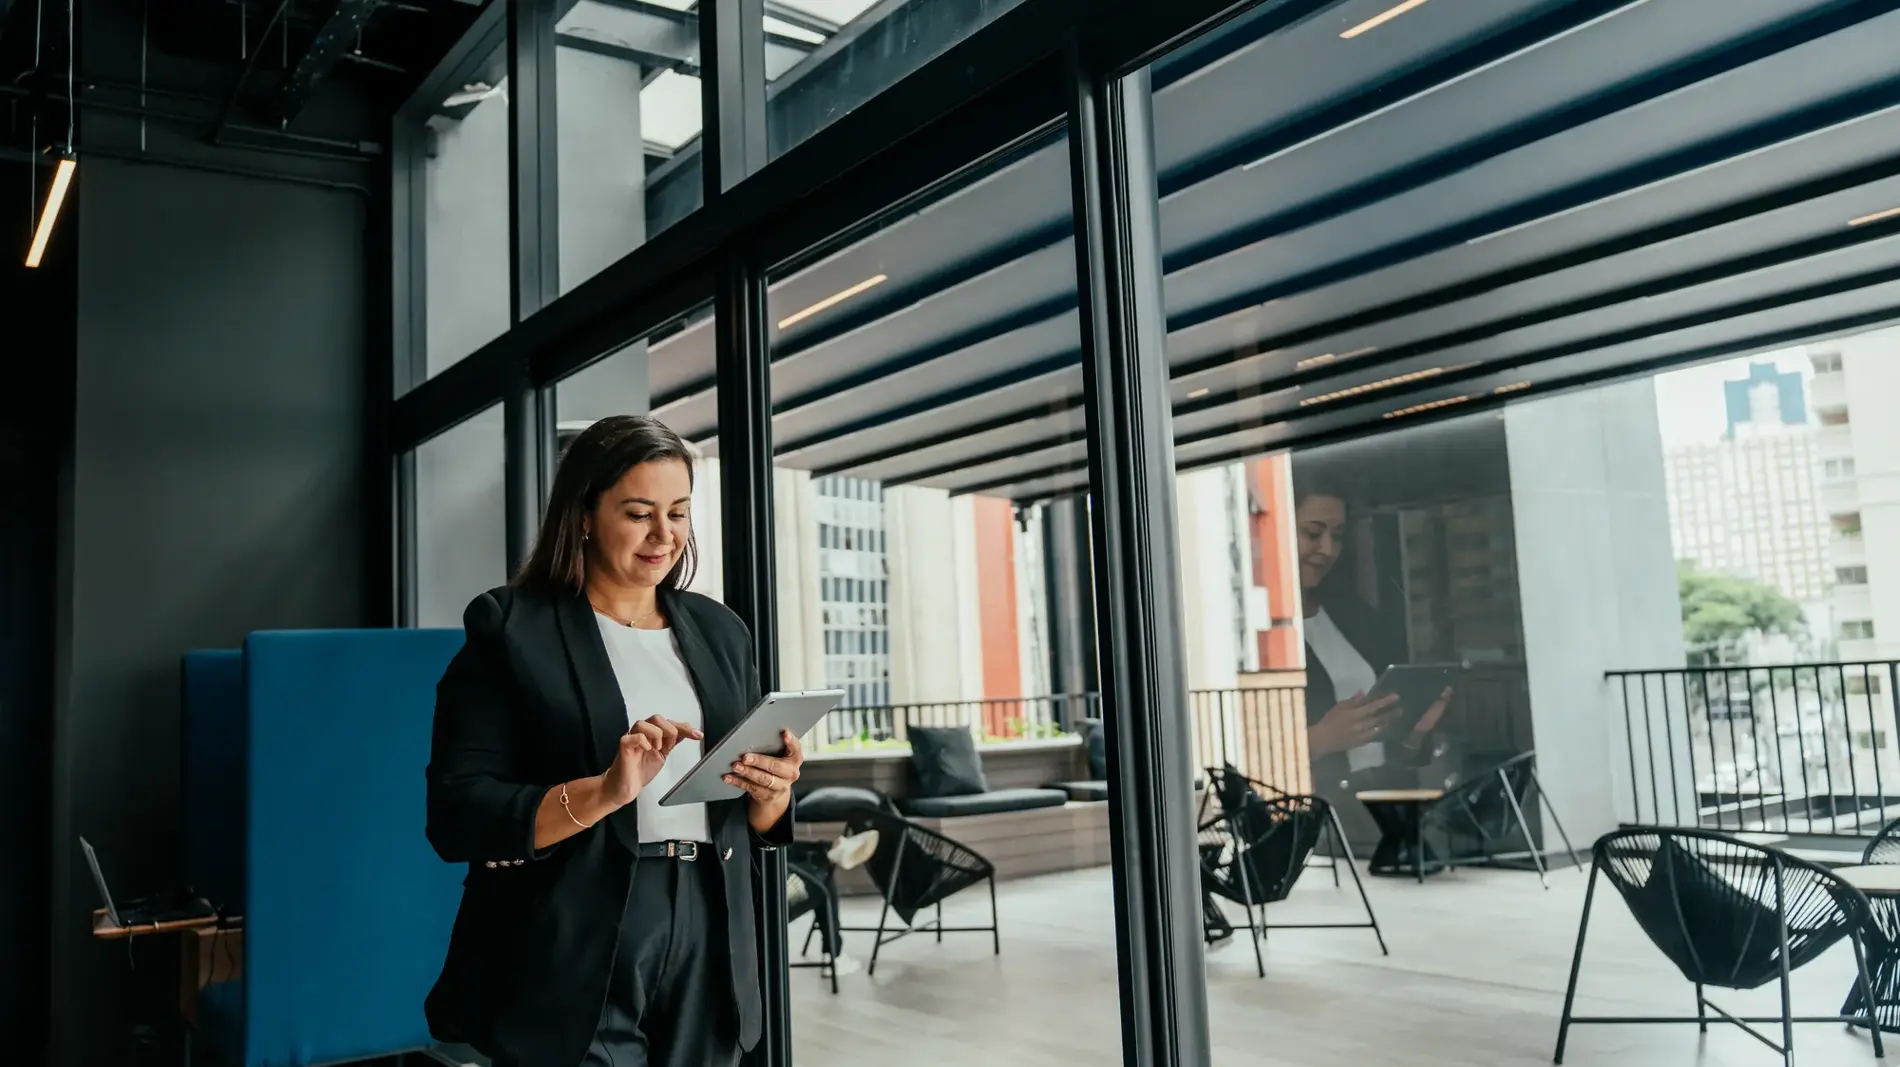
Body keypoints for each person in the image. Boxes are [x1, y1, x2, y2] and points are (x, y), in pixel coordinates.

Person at [424, 415, 802, 1067]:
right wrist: (604, 790)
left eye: (679, 513)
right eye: (639, 512)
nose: (665, 536)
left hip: (709, 927)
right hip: (574, 935)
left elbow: (744, 813)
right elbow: (458, 812)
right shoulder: (513, 627)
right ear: (584, 515)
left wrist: (771, 797)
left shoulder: (720, 631)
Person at [1294, 484, 1452, 805]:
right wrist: (1319, 740)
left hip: (1379, 808)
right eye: (1312, 533)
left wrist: (1415, 733)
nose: (1326, 549)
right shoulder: (1260, 635)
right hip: (1318, 815)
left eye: (1337, 536)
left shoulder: (1356, 618)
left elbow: (1390, 750)